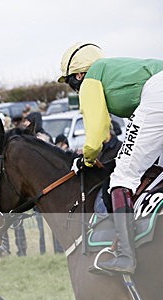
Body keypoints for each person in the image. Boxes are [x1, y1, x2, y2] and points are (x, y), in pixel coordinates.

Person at [58, 42, 163, 274]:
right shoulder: (115, 72)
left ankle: (126, 257)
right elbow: (107, 132)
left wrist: (86, 159)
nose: (73, 88)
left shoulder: (91, 80)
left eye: (70, 82)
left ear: (78, 74)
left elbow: (96, 135)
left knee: (123, 177)